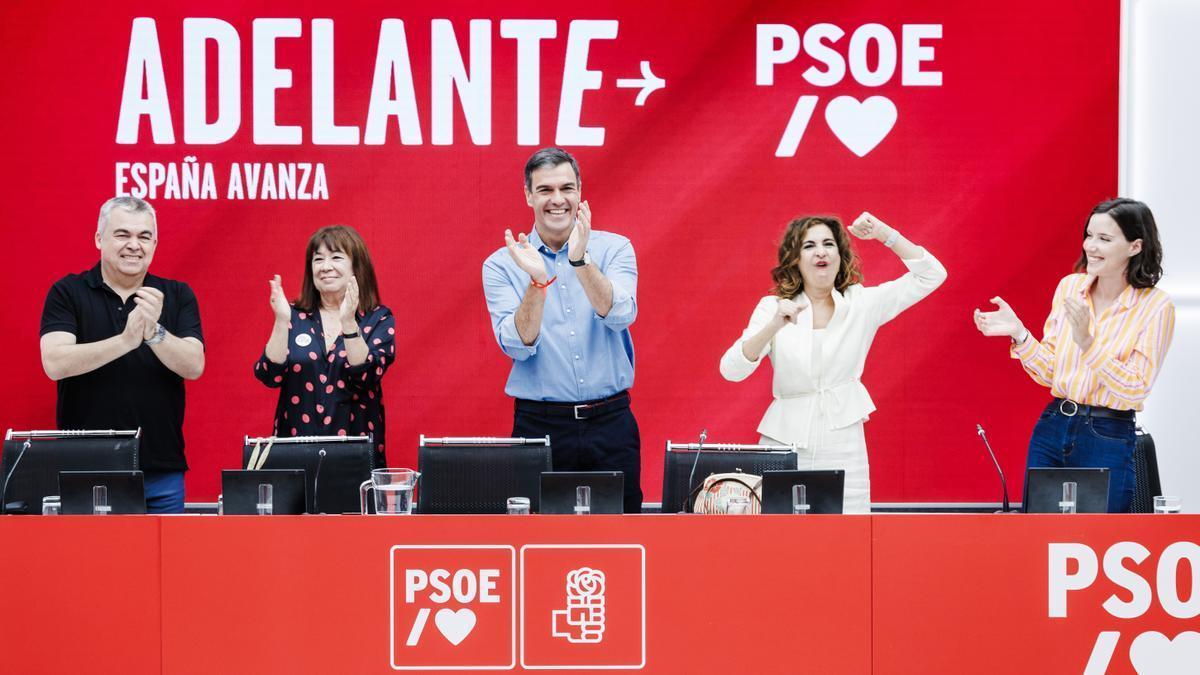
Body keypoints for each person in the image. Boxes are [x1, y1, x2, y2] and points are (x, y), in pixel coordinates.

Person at [719, 212, 947, 514]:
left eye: (829, 244)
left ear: (841, 255)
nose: (821, 252)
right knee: (779, 539)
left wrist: (884, 233)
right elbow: (731, 370)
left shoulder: (861, 302)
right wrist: (774, 325)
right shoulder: (772, 307)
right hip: (784, 437)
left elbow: (931, 275)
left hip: (843, 439)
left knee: (847, 537)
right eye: (809, 246)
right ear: (795, 259)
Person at [974, 198, 1174, 513]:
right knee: (1038, 536)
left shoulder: (1155, 306)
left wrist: (1089, 344)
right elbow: (1053, 371)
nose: (1091, 246)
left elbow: (1136, 387)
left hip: (1108, 433)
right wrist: (1020, 335)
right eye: (1089, 235)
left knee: (1099, 542)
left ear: (1135, 247)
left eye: (1105, 239)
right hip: (1053, 424)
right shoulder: (1070, 288)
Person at [482, 147, 642, 513]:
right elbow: (517, 344)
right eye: (545, 190)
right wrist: (537, 281)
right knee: (536, 540)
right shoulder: (502, 264)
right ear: (528, 195)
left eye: (566, 188)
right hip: (539, 426)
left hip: (610, 422)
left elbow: (618, 314)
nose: (558, 200)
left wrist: (579, 260)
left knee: (623, 538)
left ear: (580, 191)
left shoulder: (615, 248)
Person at [40, 196, 205, 513]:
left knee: (165, 563)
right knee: (92, 562)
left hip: (161, 470)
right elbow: (55, 363)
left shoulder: (176, 294)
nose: (134, 245)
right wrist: (127, 340)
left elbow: (194, 365)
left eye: (144, 237)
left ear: (155, 244)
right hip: (86, 468)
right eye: (123, 234)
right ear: (99, 239)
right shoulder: (68, 292)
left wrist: (154, 332)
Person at [253, 225, 395, 465]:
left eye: (336, 257)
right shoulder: (294, 315)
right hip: (295, 451)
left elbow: (365, 376)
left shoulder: (378, 317)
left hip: (355, 455)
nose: (325, 266)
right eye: (318, 259)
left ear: (356, 267)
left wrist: (349, 322)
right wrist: (281, 320)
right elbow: (270, 375)